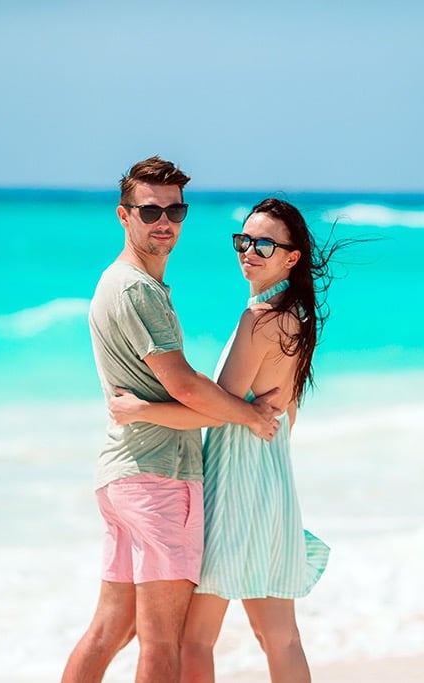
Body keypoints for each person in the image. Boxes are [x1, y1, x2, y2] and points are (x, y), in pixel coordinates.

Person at [110, 197, 348, 683]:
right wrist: (248, 422)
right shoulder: (295, 318)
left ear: (292, 257)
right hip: (272, 483)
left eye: (265, 244)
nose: (249, 252)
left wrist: (141, 411)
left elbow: (215, 408)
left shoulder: (260, 319)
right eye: (244, 241)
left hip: (234, 487)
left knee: (194, 640)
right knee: (279, 637)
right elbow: (284, 416)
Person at [61, 157, 281, 683]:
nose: (164, 222)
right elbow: (183, 384)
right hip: (159, 480)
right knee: (163, 644)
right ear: (124, 215)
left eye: (175, 211)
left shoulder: (121, 283)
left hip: (123, 475)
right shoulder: (136, 288)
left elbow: (173, 385)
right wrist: (249, 416)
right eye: (150, 210)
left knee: (111, 628)